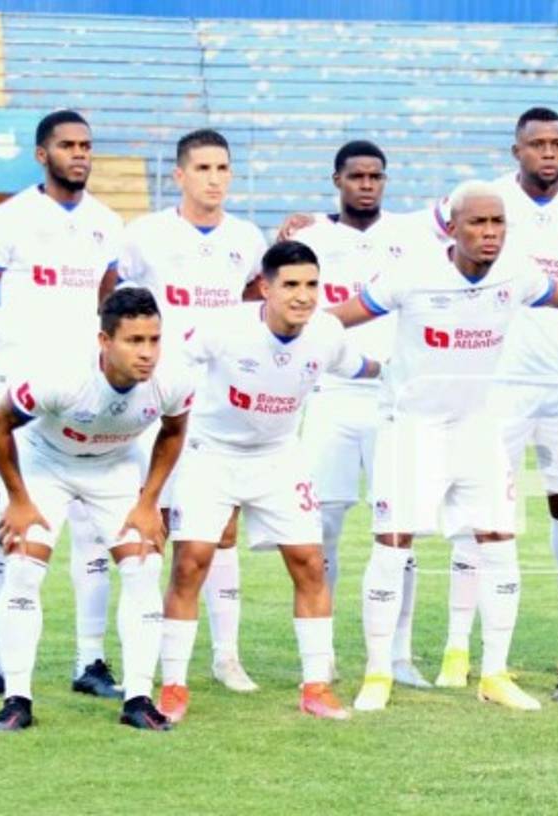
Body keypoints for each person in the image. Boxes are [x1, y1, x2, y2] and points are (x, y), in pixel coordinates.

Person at [328, 181, 558, 712]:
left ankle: (493, 673)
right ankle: (377, 673)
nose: (490, 233)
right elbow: (344, 316)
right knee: (393, 544)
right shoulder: (412, 274)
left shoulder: (515, 273)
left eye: (498, 223)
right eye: (478, 223)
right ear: (452, 227)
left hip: (477, 428)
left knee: (498, 541)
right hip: (414, 429)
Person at [432, 107, 558, 689]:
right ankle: (457, 648)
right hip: (501, 382)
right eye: (536, 143)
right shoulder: (485, 200)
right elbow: (415, 234)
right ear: (515, 150)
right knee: (482, 514)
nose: (548, 152)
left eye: (557, 143)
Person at [157, 241, 379, 723]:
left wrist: (397, 368)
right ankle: (173, 686)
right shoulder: (225, 328)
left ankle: (316, 686)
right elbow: (174, 361)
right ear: (265, 287)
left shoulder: (326, 332)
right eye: (292, 285)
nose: (304, 296)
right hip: (211, 455)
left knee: (309, 564)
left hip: (280, 458)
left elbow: (358, 366)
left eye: (313, 285)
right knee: (190, 564)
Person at [0, 110, 125, 702]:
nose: (80, 154)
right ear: (42, 154)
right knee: (5, 531)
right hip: (17, 401)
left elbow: (113, 311)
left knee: (95, 535)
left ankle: (90, 661)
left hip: (84, 402)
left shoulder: (106, 224)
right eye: (67, 145)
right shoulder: (10, 219)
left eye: (86, 145)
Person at [0, 287, 194, 731]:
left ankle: (138, 699)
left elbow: (173, 433)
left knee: (143, 566)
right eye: (134, 341)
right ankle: (17, 698)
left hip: (114, 467)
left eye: (154, 340)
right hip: (45, 465)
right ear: (104, 341)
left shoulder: (173, 379)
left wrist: (149, 501)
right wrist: (18, 499)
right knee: (23, 566)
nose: (147, 353)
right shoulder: (62, 377)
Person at [103, 128, 268, 694]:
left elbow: (255, 303)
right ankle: (144, 663)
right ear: (179, 175)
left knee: (221, 531)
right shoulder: (145, 235)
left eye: (223, 168)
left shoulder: (247, 237)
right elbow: (111, 301)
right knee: (152, 530)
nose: (214, 179)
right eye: (202, 169)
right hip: (157, 404)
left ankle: (227, 656)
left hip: (221, 403)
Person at [290, 140, 436, 689]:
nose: (368, 184)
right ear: (337, 180)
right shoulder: (310, 238)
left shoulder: (413, 234)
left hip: (394, 400)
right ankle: (320, 651)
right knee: (320, 525)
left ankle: (398, 654)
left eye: (376, 176)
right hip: (330, 395)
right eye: (357, 176)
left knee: (400, 529)